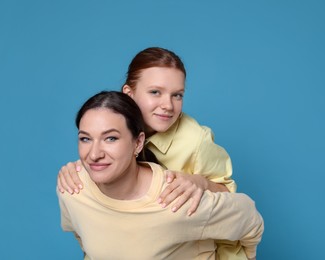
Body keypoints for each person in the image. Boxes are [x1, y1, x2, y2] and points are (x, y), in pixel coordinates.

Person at [58, 47, 244, 259]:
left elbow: (230, 199)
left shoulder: (195, 140)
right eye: (155, 92)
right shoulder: (111, 118)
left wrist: (200, 182)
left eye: (177, 95)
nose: (167, 105)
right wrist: (74, 171)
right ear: (129, 93)